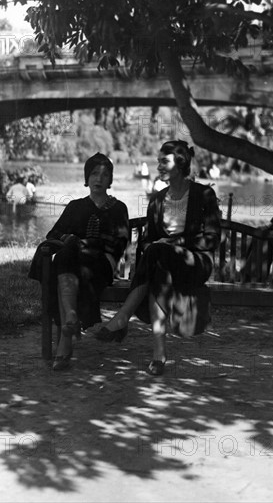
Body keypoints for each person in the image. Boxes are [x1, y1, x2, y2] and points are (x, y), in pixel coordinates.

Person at [95, 140, 221, 376]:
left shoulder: (204, 194)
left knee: (158, 252)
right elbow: (148, 241)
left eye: (165, 161)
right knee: (157, 265)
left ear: (181, 162)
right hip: (162, 264)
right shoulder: (157, 199)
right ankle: (159, 355)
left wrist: (175, 243)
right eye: (158, 161)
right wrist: (159, 246)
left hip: (195, 262)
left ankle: (123, 316)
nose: (159, 166)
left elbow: (212, 239)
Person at [29, 153, 129, 371]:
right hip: (74, 263)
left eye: (104, 174)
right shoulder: (75, 206)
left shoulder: (118, 208)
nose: (99, 179)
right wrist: (70, 239)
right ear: (87, 177)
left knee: (68, 257)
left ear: (110, 180)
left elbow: (121, 243)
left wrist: (89, 245)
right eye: (94, 173)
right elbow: (54, 233)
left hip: (101, 265)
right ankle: (71, 317)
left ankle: (65, 343)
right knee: (66, 253)